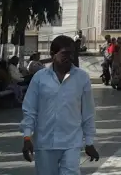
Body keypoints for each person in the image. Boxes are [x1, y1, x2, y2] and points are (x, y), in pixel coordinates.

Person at [21, 35, 99, 174]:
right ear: (52, 55)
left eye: (72, 53)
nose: (69, 57)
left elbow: (88, 112)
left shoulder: (82, 78)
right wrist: (27, 137)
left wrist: (89, 142)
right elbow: (30, 109)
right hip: (45, 144)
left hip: (71, 143)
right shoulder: (40, 78)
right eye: (65, 53)